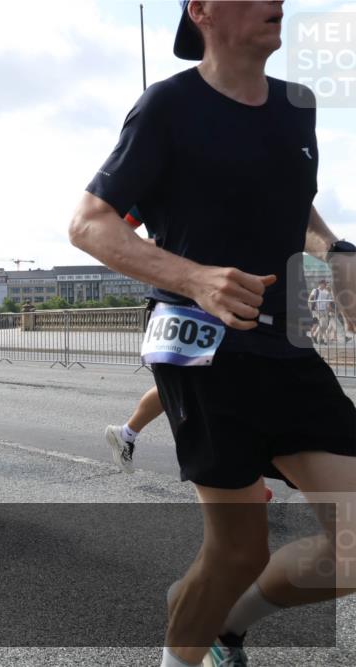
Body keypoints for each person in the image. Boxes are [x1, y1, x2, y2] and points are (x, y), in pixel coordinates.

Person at [70, 2, 356, 665]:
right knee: (237, 550)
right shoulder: (168, 107)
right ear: (200, 10)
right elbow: (89, 223)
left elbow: (296, 203)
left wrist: (336, 251)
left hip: (287, 346)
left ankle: (226, 621)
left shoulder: (298, 106)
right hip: (201, 344)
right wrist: (195, 277)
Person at [308, 278, 330, 344]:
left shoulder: (326, 292)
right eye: (325, 283)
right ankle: (320, 338)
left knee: (324, 326)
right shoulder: (315, 290)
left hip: (324, 310)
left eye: (326, 284)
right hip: (317, 310)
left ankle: (317, 337)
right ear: (321, 284)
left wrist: (328, 310)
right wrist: (312, 307)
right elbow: (310, 299)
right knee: (322, 324)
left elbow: (328, 302)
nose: (326, 285)